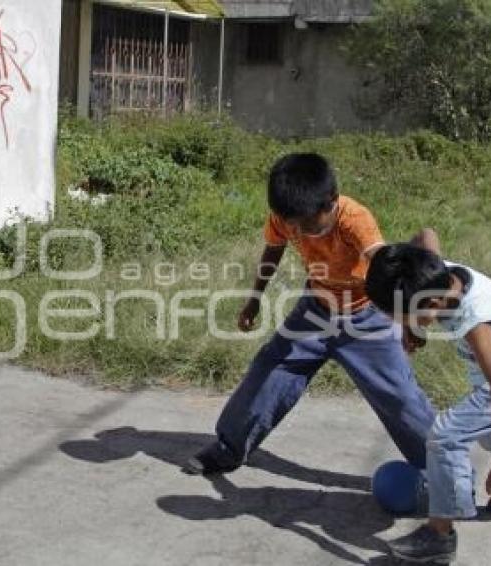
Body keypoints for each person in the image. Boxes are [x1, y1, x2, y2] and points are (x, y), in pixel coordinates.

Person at [185, 153, 436, 476]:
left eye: (304, 224)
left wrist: (407, 321)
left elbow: (385, 267)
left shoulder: (354, 220)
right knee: (268, 371)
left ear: (330, 203)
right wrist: (254, 299)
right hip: (314, 312)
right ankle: (228, 448)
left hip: (365, 318)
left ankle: (447, 471)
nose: (296, 230)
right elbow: (272, 250)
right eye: (290, 223)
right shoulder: (288, 215)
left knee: (401, 399)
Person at [365, 235, 491, 564]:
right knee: (487, 429)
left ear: (431, 305)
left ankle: (440, 535)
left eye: (399, 316)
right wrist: (415, 325)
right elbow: (427, 235)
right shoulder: (436, 273)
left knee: (446, 434)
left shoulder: (474, 319)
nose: (397, 323)